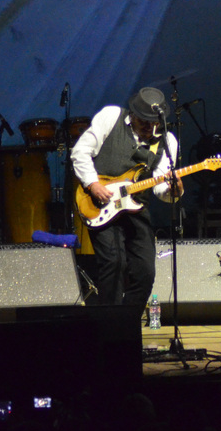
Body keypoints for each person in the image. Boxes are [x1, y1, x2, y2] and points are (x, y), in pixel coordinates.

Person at [71, 87, 183, 308]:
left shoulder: (167, 141)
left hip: (136, 208)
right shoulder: (112, 116)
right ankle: (108, 327)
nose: (149, 128)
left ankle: (127, 325)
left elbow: (160, 188)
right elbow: (80, 151)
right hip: (101, 204)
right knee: (114, 263)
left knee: (145, 273)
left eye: (154, 123)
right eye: (144, 122)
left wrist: (174, 190)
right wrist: (93, 184)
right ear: (134, 115)